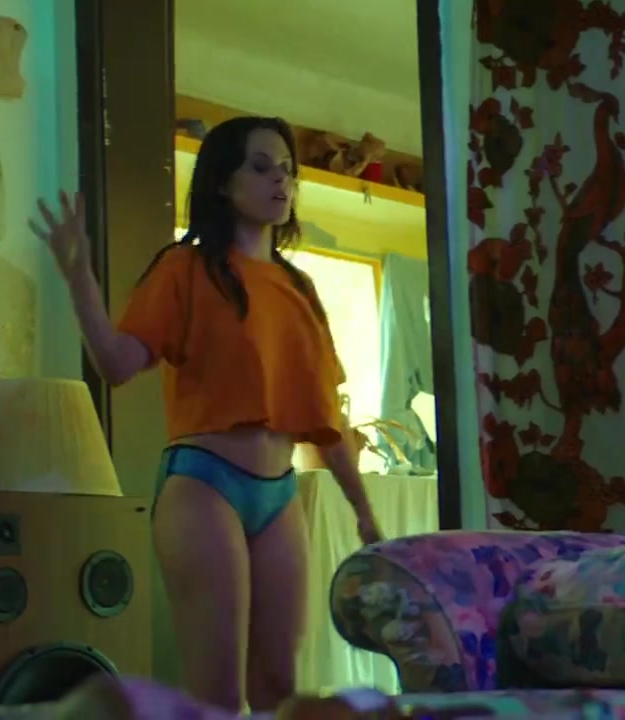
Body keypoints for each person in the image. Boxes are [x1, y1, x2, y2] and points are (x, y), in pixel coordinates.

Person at [30, 116, 384, 713]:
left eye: (288, 170)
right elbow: (117, 363)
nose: (281, 180)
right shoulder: (184, 269)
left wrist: (365, 513)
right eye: (261, 167)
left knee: (279, 688)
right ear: (223, 181)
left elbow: (325, 419)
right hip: (204, 487)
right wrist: (79, 279)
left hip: (279, 494)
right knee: (217, 694)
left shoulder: (299, 289)